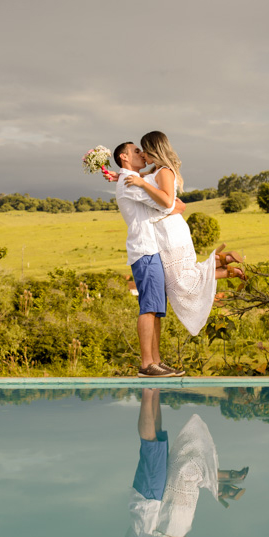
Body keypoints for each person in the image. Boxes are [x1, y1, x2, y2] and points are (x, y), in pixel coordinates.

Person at [111, 388, 249, 537]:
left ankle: (151, 391)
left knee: (156, 447)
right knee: (157, 446)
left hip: (150, 505)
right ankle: (150, 391)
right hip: (151, 506)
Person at [121, 131, 245, 336]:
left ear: (154, 149)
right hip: (168, 231)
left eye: (144, 149)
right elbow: (151, 186)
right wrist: (124, 175)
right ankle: (226, 262)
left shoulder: (164, 172)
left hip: (170, 232)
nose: (142, 154)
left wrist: (142, 183)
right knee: (183, 278)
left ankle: (226, 261)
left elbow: (168, 201)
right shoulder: (157, 170)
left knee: (180, 282)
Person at [113, 141, 186, 377]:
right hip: (144, 251)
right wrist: (174, 204)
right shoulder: (129, 181)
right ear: (124, 157)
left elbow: (159, 196)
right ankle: (146, 364)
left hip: (152, 249)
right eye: (136, 151)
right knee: (148, 308)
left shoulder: (131, 178)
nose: (142, 154)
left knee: (156, 309)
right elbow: (166, 205)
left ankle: (156, 360)